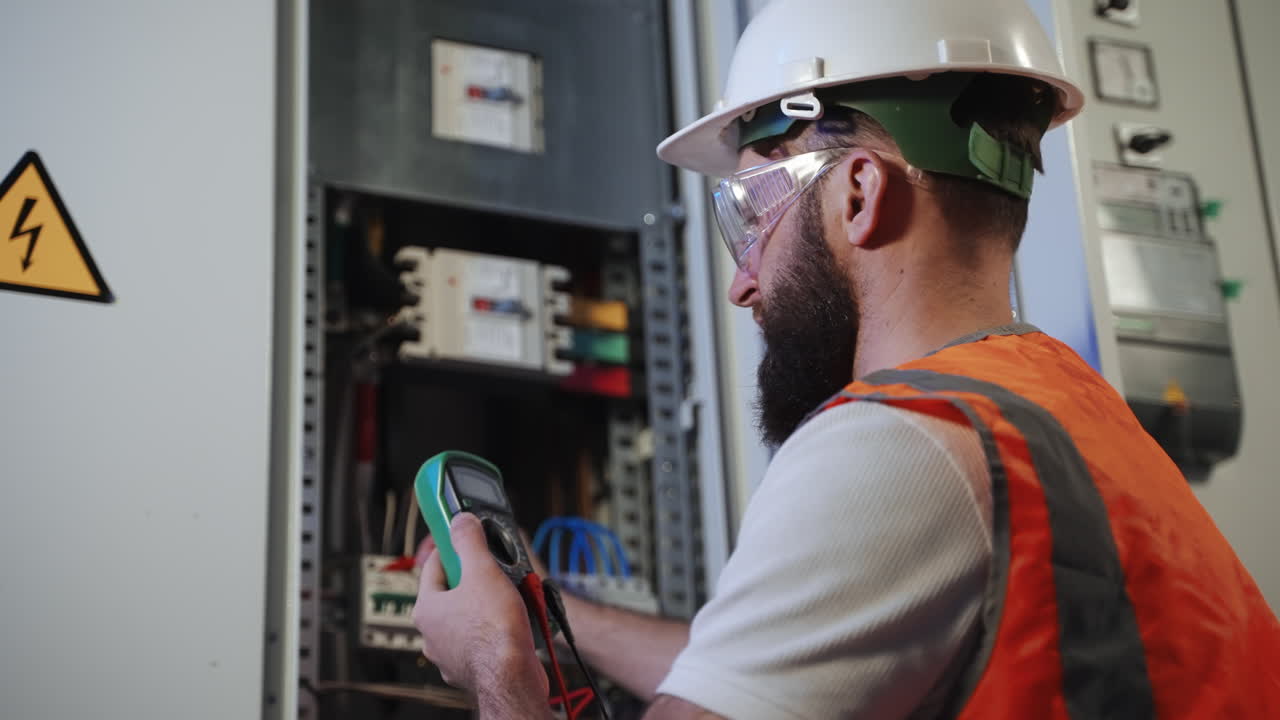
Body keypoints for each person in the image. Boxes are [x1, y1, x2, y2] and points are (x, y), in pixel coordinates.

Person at [412, 0, 1280, 717]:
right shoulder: (1060, 413)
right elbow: (776, 667)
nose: (741, 286)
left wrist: (499, 668)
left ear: (860, 194)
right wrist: (557, 623)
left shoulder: (903, 447)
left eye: (749, 216)